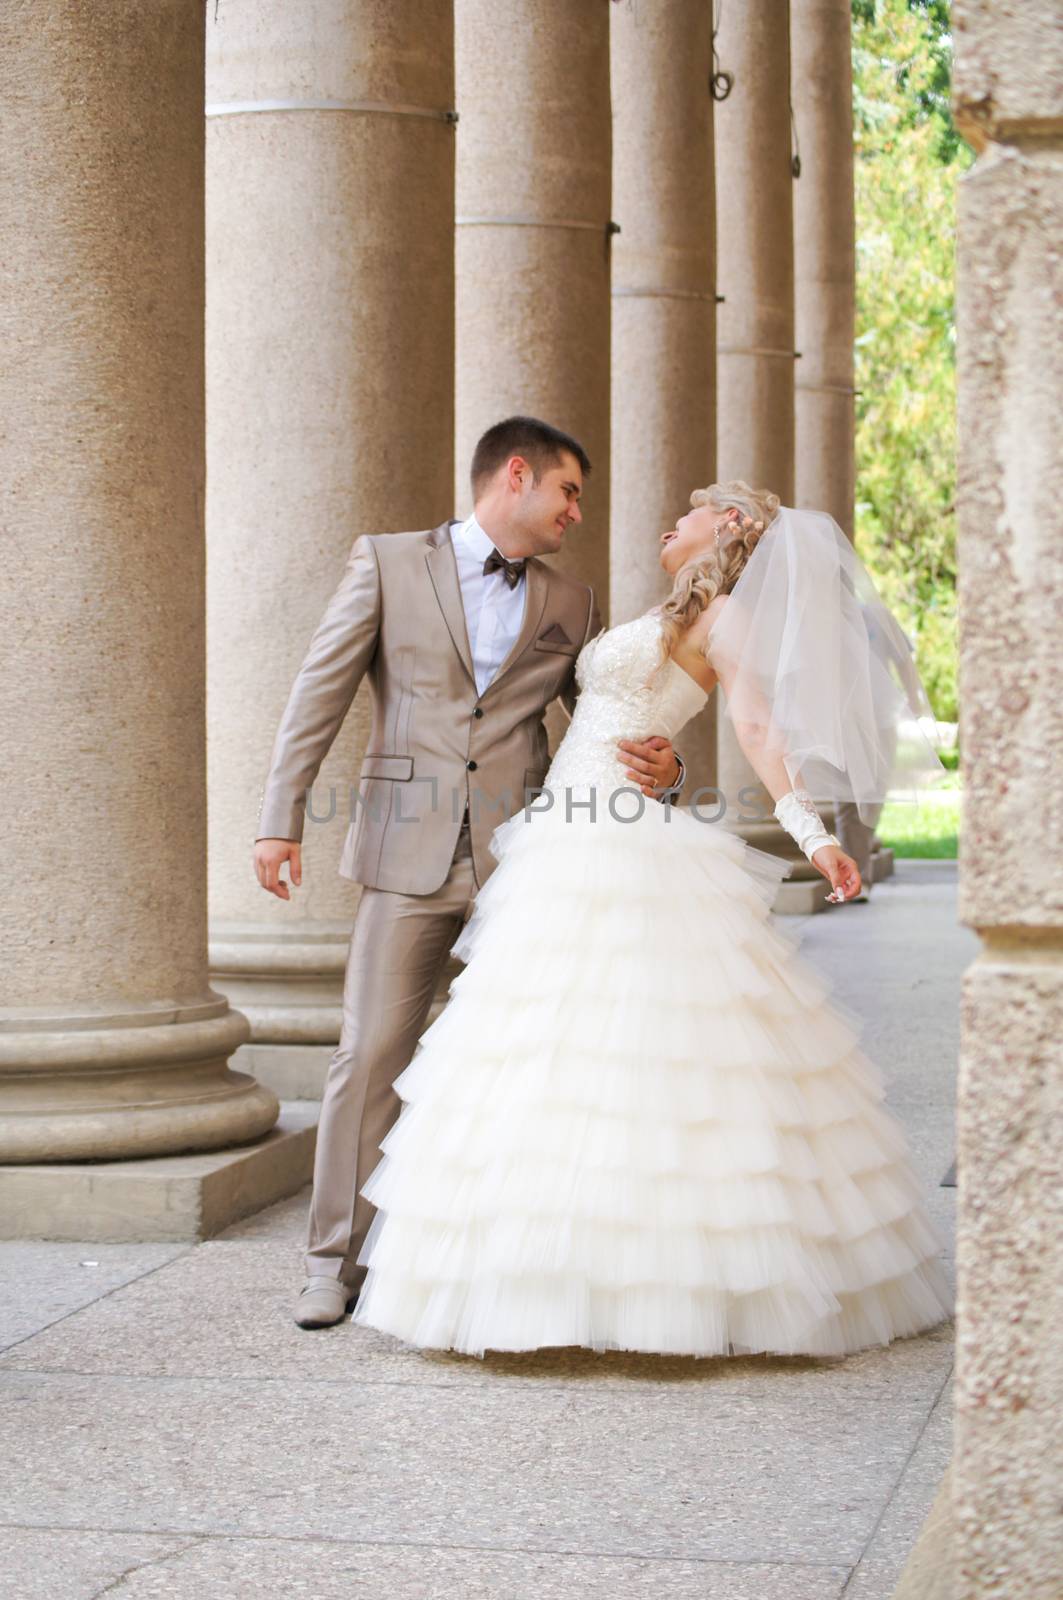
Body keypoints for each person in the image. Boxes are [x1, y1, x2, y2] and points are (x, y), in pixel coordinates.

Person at [349, 482, 953, 1359]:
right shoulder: (669, 609)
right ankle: (534, 1279)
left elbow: (755, 726)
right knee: (538, 1052)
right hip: (560, 835)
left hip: (618, 843)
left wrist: (812, 837)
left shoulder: (731, 618)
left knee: (633, 1055)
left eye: (700, 504)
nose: (676, 514)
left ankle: (651, 1290)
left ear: (734, 528)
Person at [253, 416, 684, 1329]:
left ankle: (502, 1268)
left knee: (523, 1063)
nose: (575, 512)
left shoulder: (572, 600)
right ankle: (332, 1262)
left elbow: (604, 718)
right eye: (567, 491)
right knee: (369, 1053)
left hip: (524, 861)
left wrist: (670, 773)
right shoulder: (386, 561)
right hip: (405, 855)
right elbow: (318, 689)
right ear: (516, 477)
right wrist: (277, 820)